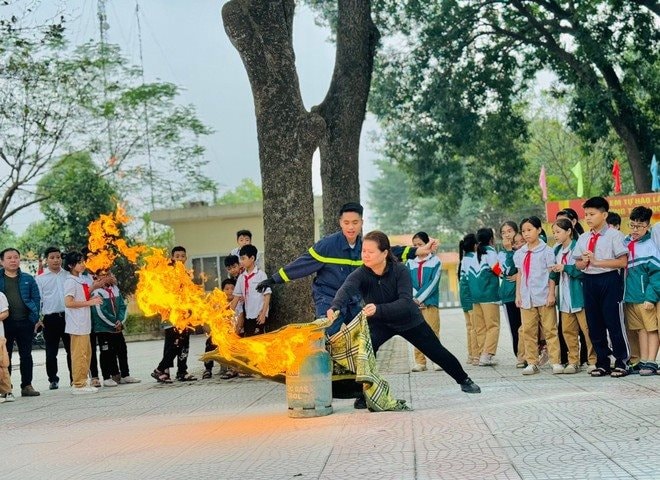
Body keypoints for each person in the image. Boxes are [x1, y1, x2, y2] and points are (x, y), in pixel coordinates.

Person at [327, 230, 480, 398]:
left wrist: (379, 309)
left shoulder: (400, 270)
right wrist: (335, 307)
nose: (365, 255)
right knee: (365, 352)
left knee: (436, 351)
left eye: (370, 252)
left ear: (384, 253)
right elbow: (346, 289)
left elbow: (406, 302)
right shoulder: (361, 273)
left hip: (408, 320)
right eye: (364, 251)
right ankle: (366, 395)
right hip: (379, 323)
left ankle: (465, 380)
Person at [257, 202, 436, 336]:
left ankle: (354, 375)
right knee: (328, 332)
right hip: (327, 297)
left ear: (361, 223)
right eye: (347, 222)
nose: (351, 227)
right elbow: (302, 264)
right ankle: (325, 371)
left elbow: (391, 251)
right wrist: (273, 279)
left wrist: (419, 251)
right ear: (340, 223)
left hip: (353, 299)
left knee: (362, 335)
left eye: (355, 222)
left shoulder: (366, 245)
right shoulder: (327, 245)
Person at [573, 196, 629, 377]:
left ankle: (622, 361)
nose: (588, 218)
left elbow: (622, 262)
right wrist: (586, 261)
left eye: (592, 214)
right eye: (586, 214)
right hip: (589, 281)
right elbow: (578, 265)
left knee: (613, 322)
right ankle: (603, 361)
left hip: (610, 280)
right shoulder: (583, 238)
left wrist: (597, 261)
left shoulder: (614, 235)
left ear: (604, 215)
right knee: (594, 323)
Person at [514, 216, 562, 375]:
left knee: (550, 330)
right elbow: (520, 274)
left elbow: (551, 275)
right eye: (523, 231)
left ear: (539, 230)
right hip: (527, 297)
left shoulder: (547, 251)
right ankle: (532, 362)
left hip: (543, 296)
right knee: (528, 331)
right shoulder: (520, 253)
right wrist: (518, 294)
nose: (526, 234)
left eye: (530, 230)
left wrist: (551, 294)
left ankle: (556, 361)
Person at [550, 218, 596, 374]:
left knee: (587, 330)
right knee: (568, 332)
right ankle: (573, 361)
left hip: (579, 296)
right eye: (554, 232)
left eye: (558, 232)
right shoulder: (556, 251)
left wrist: (565, 267)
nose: (555, 235)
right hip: (564, 299)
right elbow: (553, 275)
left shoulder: (578, 247)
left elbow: (582, 271)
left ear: (569, 231)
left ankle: (592, 360)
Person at [622, 206, 660, 376]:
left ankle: (652, 361)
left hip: (646, 297)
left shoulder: (651, 245)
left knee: (651, 329)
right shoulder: (626, 242)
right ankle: (643, 360)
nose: (635, 230)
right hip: (631, 297)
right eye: (632, 225)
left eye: (639, 226)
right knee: (640, 330)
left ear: (647, 226)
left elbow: (656, 274)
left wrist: (651, 297)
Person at [151, 246, 197, 383]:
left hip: (185, 314)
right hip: (171, 315)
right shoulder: (167, 274)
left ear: (186, 258)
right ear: (172, 258)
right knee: (173, 343)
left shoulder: (187, 275)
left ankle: (182, 371)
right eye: (177, 256)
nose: (180, 259)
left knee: (184, 343)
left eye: (183, 256)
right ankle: (161, 370)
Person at [0, 248, 41, 397]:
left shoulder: (28, 279)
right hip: (5, 324)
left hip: (25, 322)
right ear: (2, 261)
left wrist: (34, 318)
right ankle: (6, 387)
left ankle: (27, 385)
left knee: (26, 355)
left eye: (16, 257)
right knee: (5, 356)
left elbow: (36, 299)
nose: (13, 260)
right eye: (9, 258)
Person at [63, 251, 103, 394]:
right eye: (79, 262)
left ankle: (83, 381)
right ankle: (78, 384)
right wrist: (90, 302)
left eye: (82, 262)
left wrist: (94, 287)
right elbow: (68, 303)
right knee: (79, 354)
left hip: (84, 323)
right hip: (77, 324)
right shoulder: (69, 281)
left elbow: (83, 295)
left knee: (87, 353)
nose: (83, 264)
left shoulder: (80, 279)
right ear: (70, 265)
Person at [91, 270, 140, 386]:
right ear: (96, 277)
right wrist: (113, 323)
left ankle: (125, 375)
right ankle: (107, 377)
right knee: (106, 352)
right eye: (103, 275)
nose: (106, 277)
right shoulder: (97, 292)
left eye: (108, 274)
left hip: (117, 328)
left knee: (122, 350)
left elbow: (123, 306)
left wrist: (120, 321)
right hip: (104, 328)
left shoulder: (115, 289)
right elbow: (100, 312)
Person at [461, 228, 501, 366]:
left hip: (475, 296)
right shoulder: (490, 251)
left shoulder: (473, 255)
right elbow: (497, 270)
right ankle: (487, 354)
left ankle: (481, 354)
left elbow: (467, 277)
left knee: (481, 328)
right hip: (489, 295)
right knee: (493, 326)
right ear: (491, 239)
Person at [35, 246, 71, 390]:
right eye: (52, 257)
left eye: (58, 257)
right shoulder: (40, 279)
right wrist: (38, 318)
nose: (56, 260)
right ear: (46, 260)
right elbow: (39, 300)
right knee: (51, 352)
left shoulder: (68, 275)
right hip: (50, 319)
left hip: (68, 317)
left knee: (71, 349)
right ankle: (53, 379)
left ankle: (74, 378)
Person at [406, 231, 442, 372]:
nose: (417, 248)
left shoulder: (436, 261)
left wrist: (420, 298)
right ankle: (420, 362)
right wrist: (414, 299)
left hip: (430, 302)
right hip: (414, 304)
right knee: (417, 332)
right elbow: (407, 281)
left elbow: (433, 283)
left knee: (433, 331)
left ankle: (438, 360)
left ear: (427, 244)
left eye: (420, 244)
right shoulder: (409, 262)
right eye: (414, 245)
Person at [499, 221, 525, 368]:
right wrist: (509, 251)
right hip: (509, 295)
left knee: (528, 327)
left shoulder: (526, 249)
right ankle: (520, 356)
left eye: (510, 231)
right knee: (516, 328)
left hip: (526, 294)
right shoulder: (502, 254)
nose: (507, 234)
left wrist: (520, 274)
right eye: (503, 232)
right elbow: (508, 271)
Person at [231, 245, 271, 337]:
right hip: (248, 315)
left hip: (259, 315)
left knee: (259, 341)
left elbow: (267, 295)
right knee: (249, 340)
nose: (241, 262)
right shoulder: (241, 277)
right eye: (240, 259)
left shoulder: (261, 275)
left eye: (243, 258)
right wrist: (227, 314)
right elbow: (236, 298)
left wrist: (263, 313)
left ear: (252, 258)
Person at [203, 278, 236, 379]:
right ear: (222, 291)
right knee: (210, 343)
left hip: (233, 333)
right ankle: (208, 369)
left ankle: (231, 368)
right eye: (227, 289)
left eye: (232, 289)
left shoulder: (238, 302)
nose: (230, 291)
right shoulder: (218, 304)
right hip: (220, 333)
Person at [458, 234, 479, 365]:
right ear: (476, 245)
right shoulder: (473, 259)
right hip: (471, 298)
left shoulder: (463, 259)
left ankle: (471, 355)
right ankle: (476, 356)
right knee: (475, 328)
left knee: (470, 327)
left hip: (464, 297)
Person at [0, 291, 12, 402]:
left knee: (2, 364)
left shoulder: (0, 295)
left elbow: (5, 313)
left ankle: (7, 392)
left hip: (0, 336)